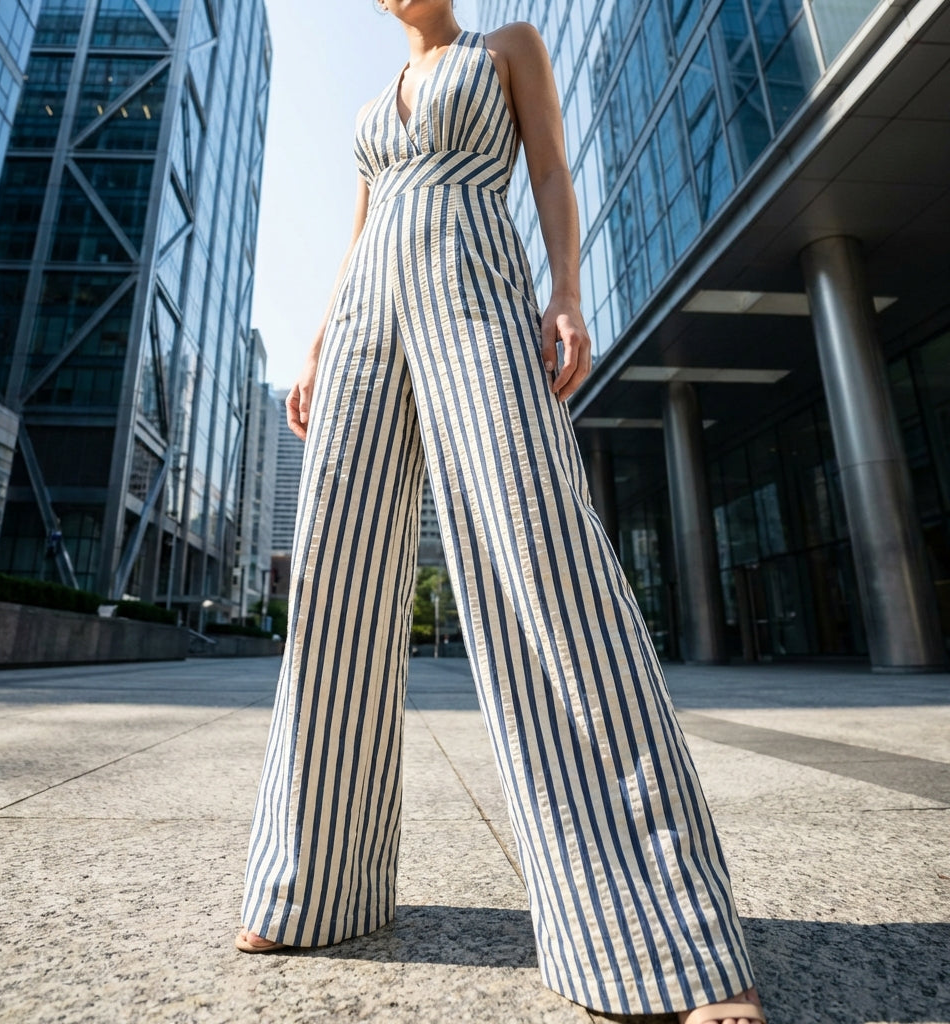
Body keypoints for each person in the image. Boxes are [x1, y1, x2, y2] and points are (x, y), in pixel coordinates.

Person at [236, 3, 766, 1022]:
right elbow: (356, 239)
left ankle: (665, 931)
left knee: (543, 557)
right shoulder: (365, 107)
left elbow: (553, 173)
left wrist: (565, 293)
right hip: (360, 332)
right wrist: (313, 350)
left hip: (475, 294)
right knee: (333, 586)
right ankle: (310, 886)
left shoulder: (508, 48)